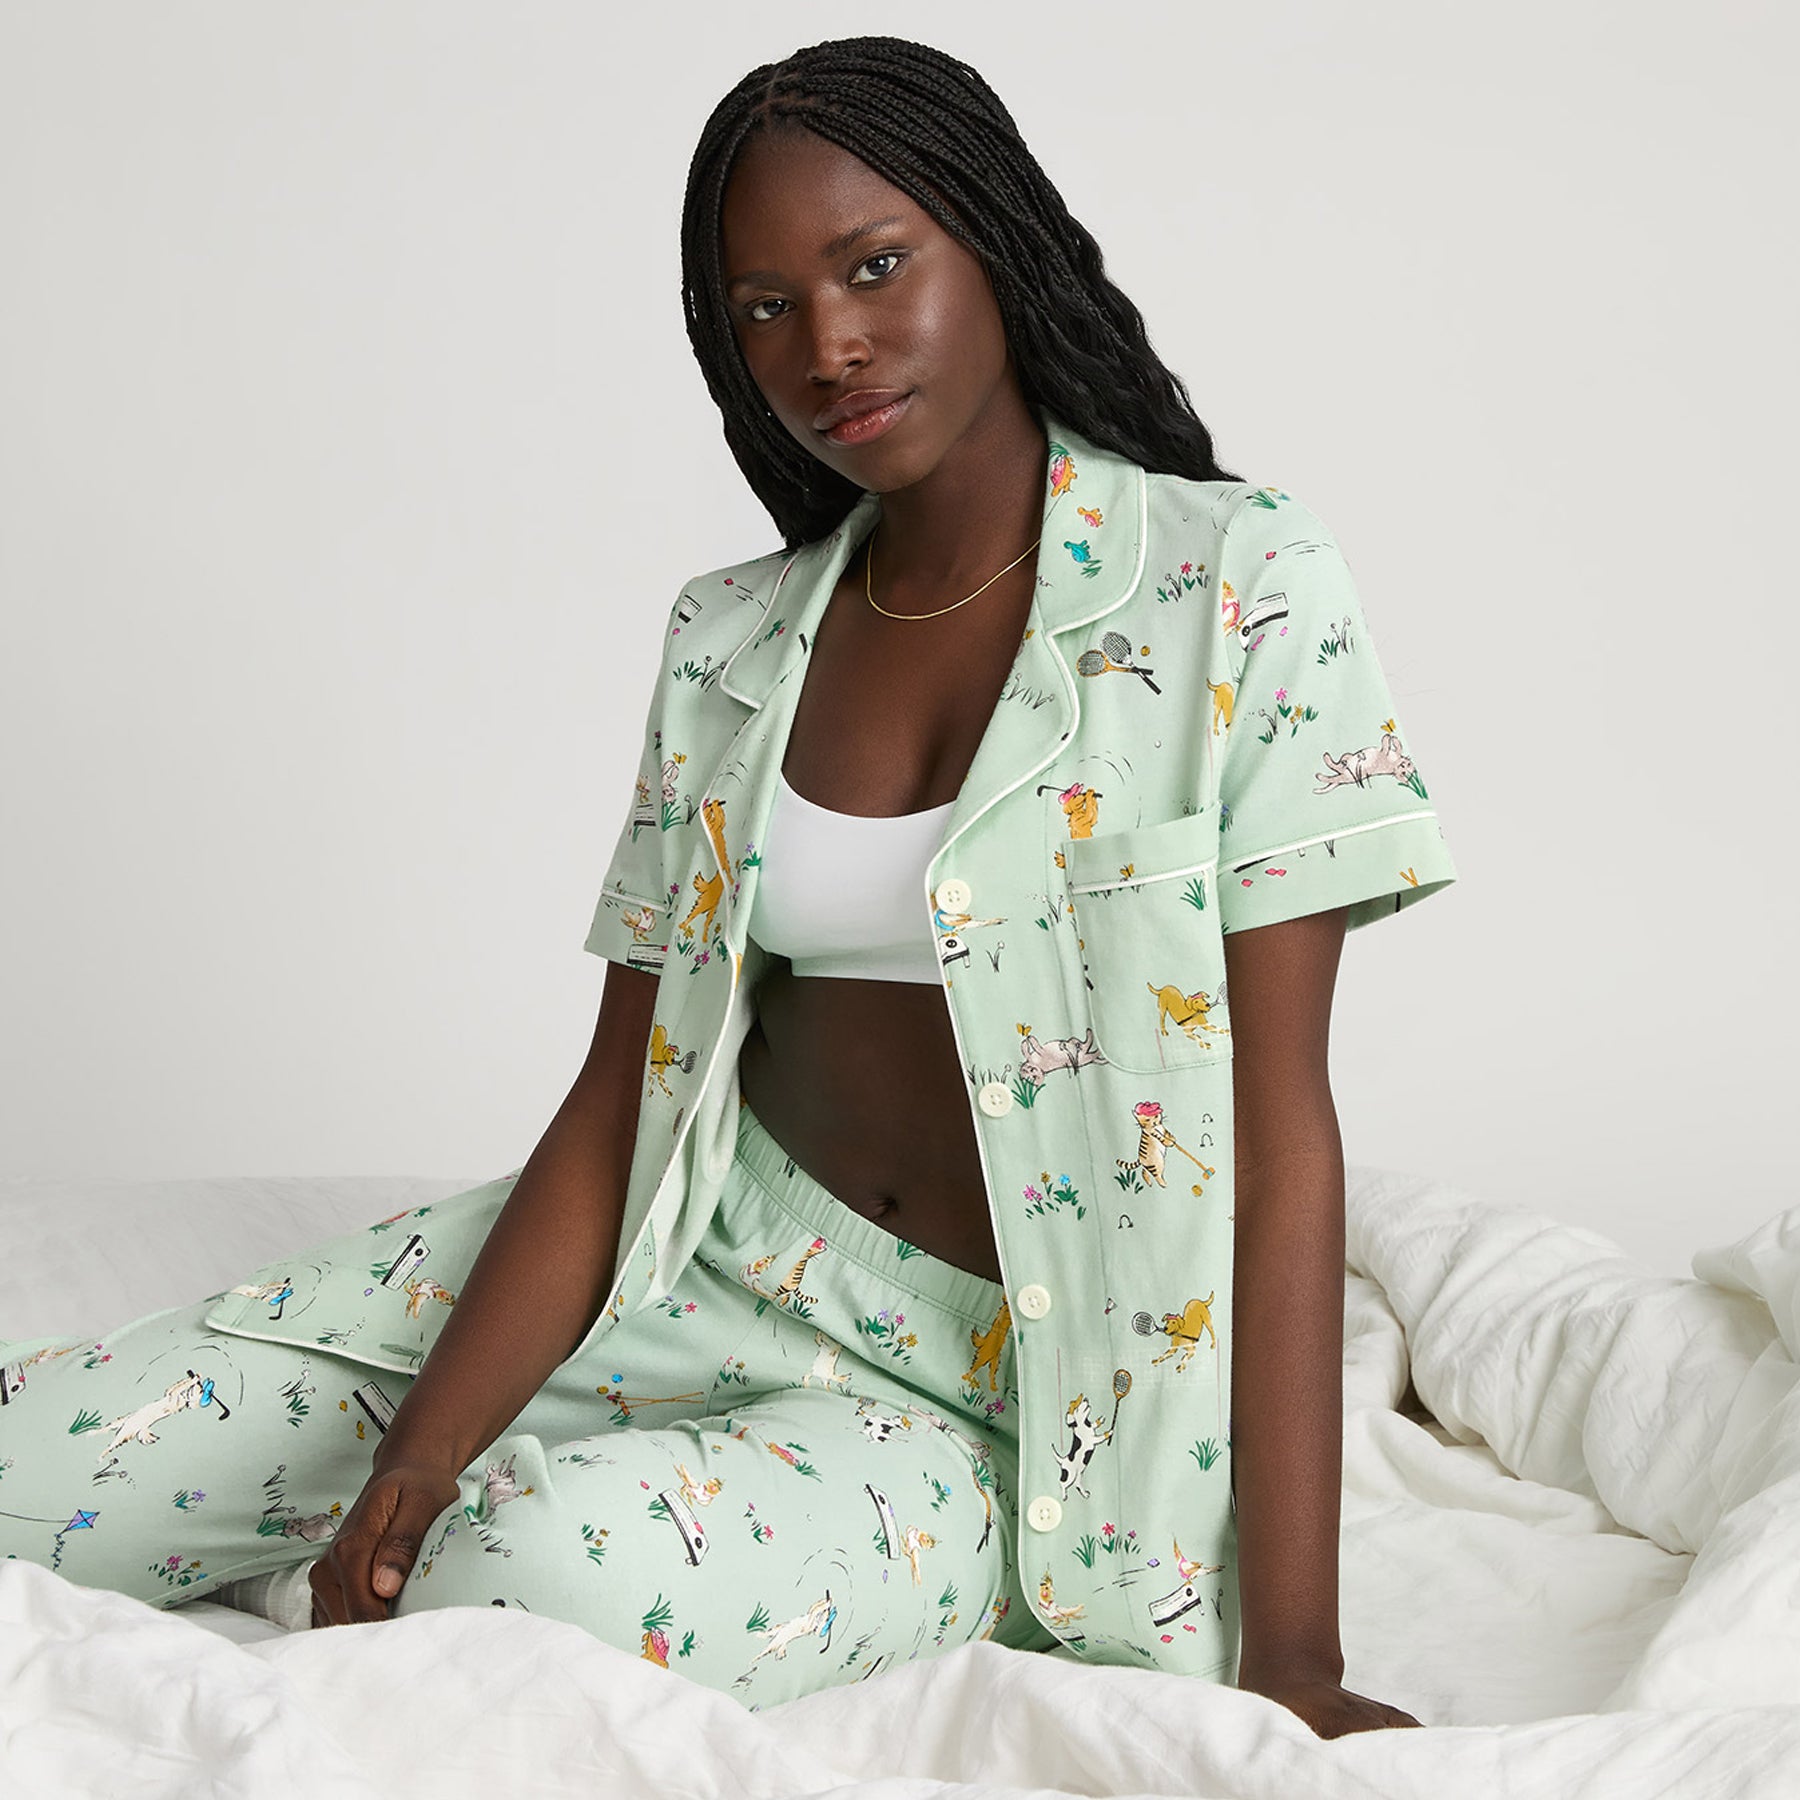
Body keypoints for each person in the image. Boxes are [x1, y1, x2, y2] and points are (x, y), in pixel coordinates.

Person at [0, 36, 1454, 1736]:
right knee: (41, 1456)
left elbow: (1280, 1133)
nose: (826, 343)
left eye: (875, 265)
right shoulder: (733, 639)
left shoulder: (1241, 584)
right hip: (694, 1248)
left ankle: (517, 1523)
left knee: (509, 1595)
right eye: (762, 306)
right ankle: (362, 1515)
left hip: (994, 1391)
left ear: (1001, 240)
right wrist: (421, 1444)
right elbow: (627, 1096)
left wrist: (1296, 1657)